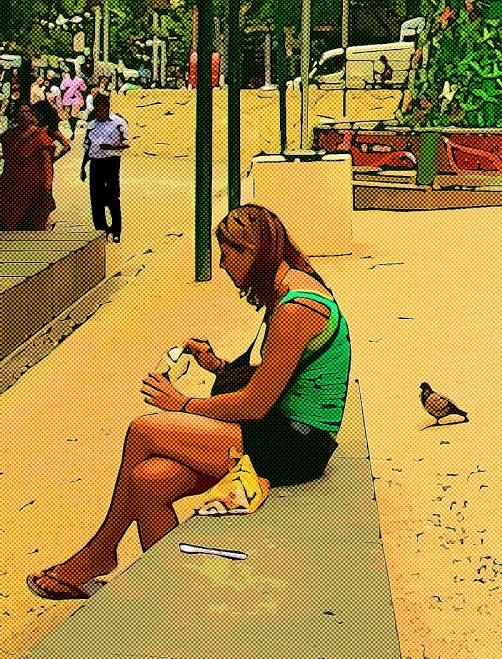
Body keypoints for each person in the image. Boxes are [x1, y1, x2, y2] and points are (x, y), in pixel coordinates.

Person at [26, 205, 352, 601]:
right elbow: (272, 374)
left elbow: (255, 404)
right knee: (147, 480)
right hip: (276, 432)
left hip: (297, 445)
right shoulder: (290, 286)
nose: (221, 264)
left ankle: (100, 552)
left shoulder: (297, 307)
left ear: (251, 252)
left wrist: (182, 404)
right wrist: (214, 363)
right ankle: (176, 595)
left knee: (144, 428)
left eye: (227, 254)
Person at [0, 103, 60, 230]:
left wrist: (47, 186)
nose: (23, 114)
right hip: (11, 183)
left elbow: (47, 163)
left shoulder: (39, 136)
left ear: (31, 115)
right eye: (20, 111)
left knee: (31, 224)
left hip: (33, 184)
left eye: (27, 111)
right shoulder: (8, 136)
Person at [82, 93, 129, 242]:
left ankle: (116, 231)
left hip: (111, 162)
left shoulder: (118, 123)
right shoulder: (91, 125)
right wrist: (82, 167)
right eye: (97, 108)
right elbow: (87, 147)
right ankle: (101, 230)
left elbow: (126, 142)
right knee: (96, 198)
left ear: (107, 107)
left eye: (102, 107)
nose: (98, 111)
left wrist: (111, 146)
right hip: (95, 163)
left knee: (113, 196)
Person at [60, 62, 88, 137]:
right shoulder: (78, 80)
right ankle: (72, 128)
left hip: (72, 98)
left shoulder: (76, 80)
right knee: (70, 114)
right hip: (71, 97)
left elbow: (62, 88)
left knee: (73, 114)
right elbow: (84, 88)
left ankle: (73, 130)